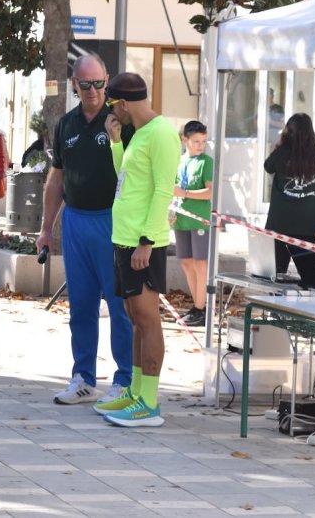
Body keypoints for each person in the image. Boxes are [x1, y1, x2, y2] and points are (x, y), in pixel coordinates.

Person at [38, 54, 134, 407]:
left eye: (99, 83)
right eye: (85, 84)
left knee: (119, 303)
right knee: (80, 304)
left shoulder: (121, 120)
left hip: (114, 220)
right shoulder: (65, 125)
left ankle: (125, 379)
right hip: (76, 220)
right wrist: (46, 229)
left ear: (106, 81)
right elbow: (56, 179)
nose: (93, 91)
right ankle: (83, 378)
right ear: (74, 85)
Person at [102, 72, 181, 427]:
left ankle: (149, 402)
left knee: (148, 321)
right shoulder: (138, 135)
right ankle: (135, 393)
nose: (112, 112)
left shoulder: (161, 134)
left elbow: (163, 190)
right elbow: (127, 180)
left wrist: (147, 242)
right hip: (125, 238)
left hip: (141, 242)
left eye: (113, 105)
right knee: (135, 319)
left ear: (123, 102)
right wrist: (116, 142)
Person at [265, 113, 315, 273]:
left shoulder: (281, 152)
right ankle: (308, 297)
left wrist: (280, 144)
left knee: (278, 268)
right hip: (309, 221)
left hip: (280, 220)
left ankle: (276, 297)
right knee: (308, 269)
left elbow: (268, 167)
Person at [173, 120, 214, 328]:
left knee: (200, 263)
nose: (200, 145)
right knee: (186, 262)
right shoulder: (179, 161)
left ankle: (201, 308)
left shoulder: (207, 162)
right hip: (181, 219)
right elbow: (173, 190)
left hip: (200, 219)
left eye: (204, 141)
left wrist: (186, 193)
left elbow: (210, 192)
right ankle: (196, 305)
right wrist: (171, 210)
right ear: (185, 139)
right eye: (196, 141)